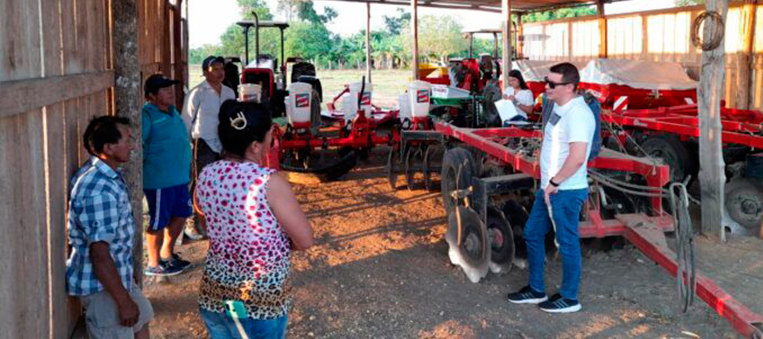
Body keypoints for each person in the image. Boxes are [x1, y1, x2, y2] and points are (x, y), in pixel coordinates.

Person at [196, 100, 314, 339]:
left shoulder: (207, 173)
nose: (273, 141)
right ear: (255, 146)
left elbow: (202, 213)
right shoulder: (268, 182)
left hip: (215, 293)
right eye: (270, 135)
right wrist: (277, 243)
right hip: (257, 301)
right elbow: (305, 240)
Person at [506, 63, 595, 313]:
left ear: (569, 87)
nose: (546, 88)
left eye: (552, 84)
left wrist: (555, 182)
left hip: (564, 190)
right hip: (550, 188)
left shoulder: (578, 114)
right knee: (533, 233)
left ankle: (569, 298)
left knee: (567, 242)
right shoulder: (559, 105)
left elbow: (577, 157)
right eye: (547, 81)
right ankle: (536, 289)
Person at [66, 116, 154, 339]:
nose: (133, 145)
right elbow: (99, 253)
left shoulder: (107, 176)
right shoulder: (99, 189)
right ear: (108, 147)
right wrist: (123, 301)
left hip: (116, 279)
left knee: (141, 320)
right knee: (125, 323)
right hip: (103, 288)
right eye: (127, 139)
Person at [142, 73, 193, 276]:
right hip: (159, 180)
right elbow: (140, 145)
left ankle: (167, 254)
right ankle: (154, 264)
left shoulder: (172, 112)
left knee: (181, 214)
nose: (171, 91)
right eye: (164, 89)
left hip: (179, 178)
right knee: (158, 221)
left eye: (171, 87)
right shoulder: (147, 115)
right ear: (151, 96)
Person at [182, 56, 237, 239]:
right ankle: (192, 221)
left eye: (222, 69)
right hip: (203, 142)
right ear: (206, 72)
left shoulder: (229, 93)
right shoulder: (197, 93)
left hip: (224, 142)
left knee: (221, 181)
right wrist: (189, 144)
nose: (220, 72)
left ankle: (218, 220)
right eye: (215, 69)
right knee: (199, 181)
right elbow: (186, 120)